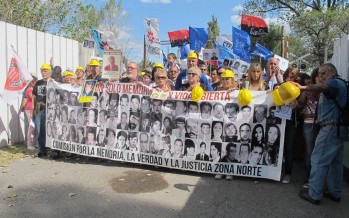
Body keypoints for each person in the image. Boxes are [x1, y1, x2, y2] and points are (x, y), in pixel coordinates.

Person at [297, 63, 348, 205]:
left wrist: (303, 87)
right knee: (335, 163)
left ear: (332, 72)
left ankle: (314, 193)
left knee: (318, 160)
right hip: (339, 128)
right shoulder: (342, 83)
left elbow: (323, 87)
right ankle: (334, 192)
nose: (320, 77)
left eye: (323, 73)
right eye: (319, 74)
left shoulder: (333, 83)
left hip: (330, 128)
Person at [296, 68, 320, 189]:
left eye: (322, 76)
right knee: (309, 152)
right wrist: (298, 102)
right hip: (308, 124)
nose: (320, 78)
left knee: (320, 153)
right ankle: (309, 178)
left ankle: (319, 180)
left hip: (322, 125)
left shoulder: (326, 91)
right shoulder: (308, 91)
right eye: (317, 76)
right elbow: (300, 106)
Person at [281, 66, 301, 184]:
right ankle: (275, 171)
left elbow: (302, 104)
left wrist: (297, 104)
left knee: (288, 148)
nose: (290, 78)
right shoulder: (278, 87)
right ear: (285, 76)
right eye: (289, 76)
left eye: (293, 76)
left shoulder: (298, 90)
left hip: (291, 123)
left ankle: (288, 174)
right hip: (278, 122)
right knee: (278, 147)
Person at [32, 64, 52, 157]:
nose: (43, 72)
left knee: (47, 130)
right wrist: (33, 107)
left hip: (48, 109)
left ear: (49, 72)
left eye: (45, 71)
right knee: (39, 129)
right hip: (38, 109)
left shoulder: (52, 82)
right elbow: (34, 96)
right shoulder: (38, 83)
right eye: (42, 71)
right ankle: (42, 150)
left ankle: (52, 149)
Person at [20, 77, 37, 150]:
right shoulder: (29, 89)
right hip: (30, 109)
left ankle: (34, 143)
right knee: (31, 127)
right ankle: (29, 144)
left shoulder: (32, 89)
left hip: (33, 108)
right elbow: (33, 98)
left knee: (34, 127)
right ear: (31, 82)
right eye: (34, 82)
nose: (35, 83)